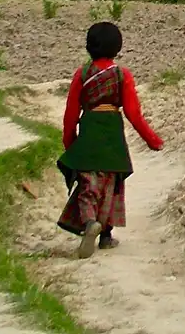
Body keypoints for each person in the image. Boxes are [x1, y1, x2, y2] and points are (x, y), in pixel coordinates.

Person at [58, 21, 164, 258]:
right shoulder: (121, 74)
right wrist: (152, 140)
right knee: (111, 186)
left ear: (88, 47)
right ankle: (106, 236)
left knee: (88, 185)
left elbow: (71, 114)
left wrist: (70, 143)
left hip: (89, 133)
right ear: (117, 48)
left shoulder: (82, 74)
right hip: (113, 136)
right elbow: (133, 114)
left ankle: (88, 223)